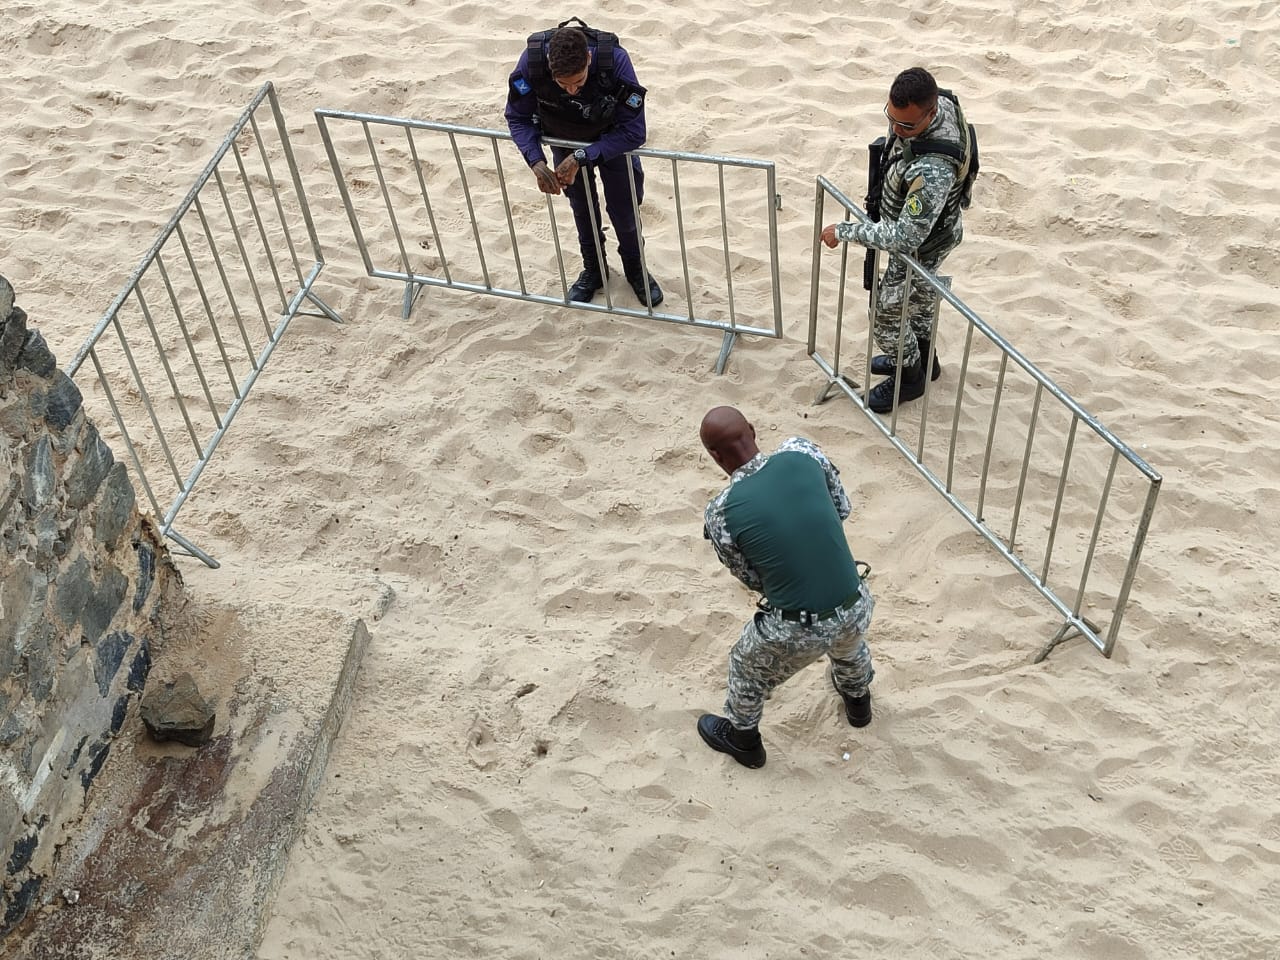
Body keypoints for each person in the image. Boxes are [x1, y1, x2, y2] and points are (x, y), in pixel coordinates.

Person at [696, 406, 875, 769]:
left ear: (714, 456)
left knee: (745, 666)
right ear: (752, 429)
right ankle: (858, 702)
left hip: (798, 626)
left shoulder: (720, 512)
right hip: (856, 601)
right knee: (848, 642)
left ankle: (744, 739)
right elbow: (841, 508)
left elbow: (748, 576)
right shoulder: (802, 450)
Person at [822, 67, 975, 413]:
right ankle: (925, 362)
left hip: (922, 244)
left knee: (887, 313)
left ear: (931, 112)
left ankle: (909, 378)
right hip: (935, 233)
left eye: (907, 126)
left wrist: (845, 231)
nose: (896, 130)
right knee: (920, 299)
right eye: (891, 119)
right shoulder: (941, 102)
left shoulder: (933, 169)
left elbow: (905, 237)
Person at [505, 18, 663, 307]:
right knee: (581, 206)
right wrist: (536, 161)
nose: (571, 91)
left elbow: (635, 131)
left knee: (624, 208)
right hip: (563, 138)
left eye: (578, 81)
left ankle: (636, 269)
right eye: (562, 84)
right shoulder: (533, 62)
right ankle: (594, 270)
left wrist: (583, 156)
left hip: (612, 143)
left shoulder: (614, 60)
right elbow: (517, 116)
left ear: (589, 59)